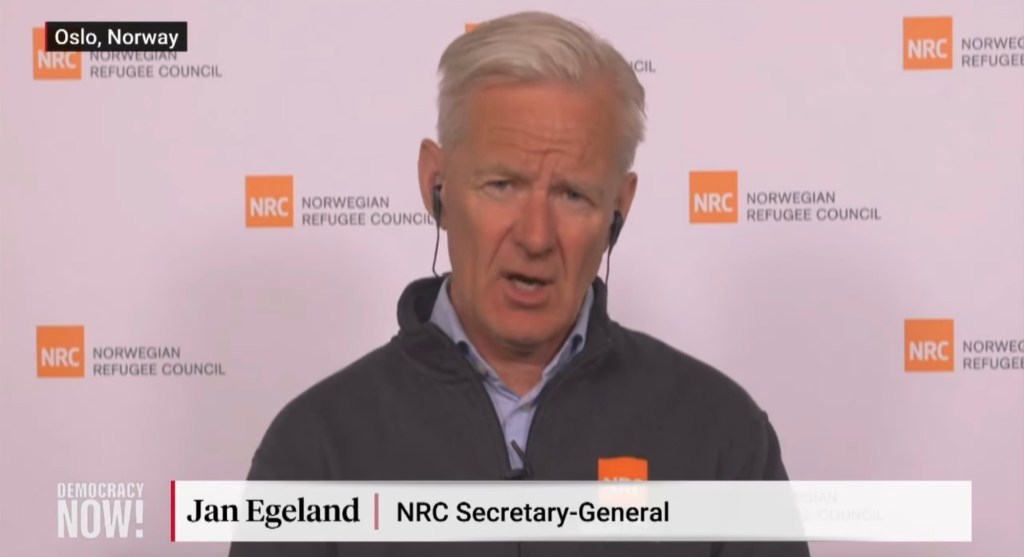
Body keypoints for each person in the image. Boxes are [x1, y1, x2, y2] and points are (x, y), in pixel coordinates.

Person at [230, 11, 809, 557]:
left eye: (573, 195)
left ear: (619, 209)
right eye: (502, 185)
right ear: (436, 185)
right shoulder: (318, 448)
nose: (535, 236)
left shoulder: (721, 435)